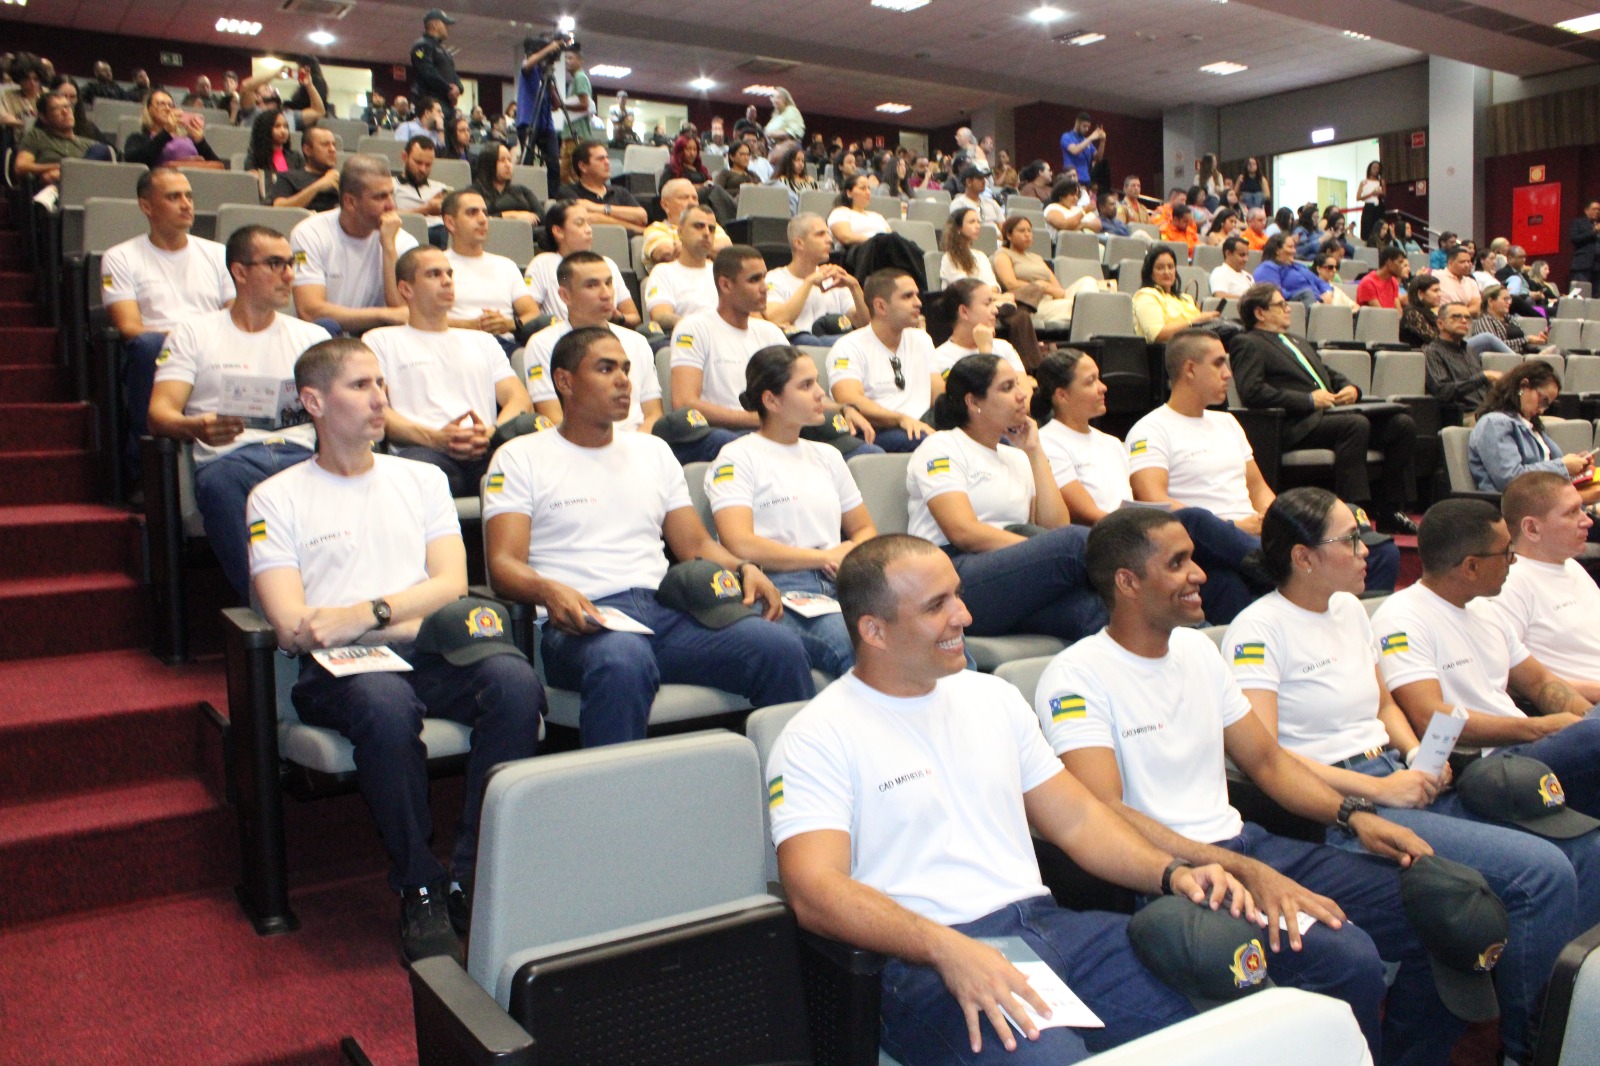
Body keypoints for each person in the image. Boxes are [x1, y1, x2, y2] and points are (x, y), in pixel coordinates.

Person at [770, 534, 1253, 1065]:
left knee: (1225, 1026)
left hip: (1049, 927)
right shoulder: (817, 737)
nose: (964, 616)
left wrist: (1171, 873)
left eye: (957, 595)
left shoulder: (993, 697)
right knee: (1053, 1059)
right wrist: (943, 947)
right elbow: (813, 890)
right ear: (874, 630)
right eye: (937, 605)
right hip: (926, 956)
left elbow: (1079, 819)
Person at [1037, 505, 1467, 1065]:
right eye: (1178, 563)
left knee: (1442, 912)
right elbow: (1105, 808)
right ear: (1128, 582)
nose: (1200, 574)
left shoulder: (1198, 649)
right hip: (1181, 875)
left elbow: (1266, 762)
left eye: (1194, 558)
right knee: (1348, 958)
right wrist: (1243, 870)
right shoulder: (1075, 677)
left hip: (1247, 847)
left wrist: (1355, 816)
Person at [1223, 488, 1597, 1066]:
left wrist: (1418, 754)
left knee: (1576, 850)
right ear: (1303, 557)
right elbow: (1266, 757)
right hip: (1341, 804)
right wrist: (1377, 790)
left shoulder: (1350, 610)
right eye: (1350, 539)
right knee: (1536, 873)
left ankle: (1559, 1018)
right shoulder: (1258, 630)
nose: (1366, 550)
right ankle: (1534, 1049)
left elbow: (1383, 705)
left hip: (1397, 776)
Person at [248, 336, 544, 966]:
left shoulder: (422, 479)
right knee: (384, 706)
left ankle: (475, 872)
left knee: (516, 685)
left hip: (425, 649)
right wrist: (391, 618)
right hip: (340, 670)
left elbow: (452, 584)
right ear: (313, 402)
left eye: (382, 384)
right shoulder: (275, 497)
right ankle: (419, 884)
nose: (380, 398)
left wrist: (364, 614)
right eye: (361, 386)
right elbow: (294, 626)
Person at [483, 326, 815, 747]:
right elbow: (502, 565)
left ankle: (791, 781)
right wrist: (548, 590)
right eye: (606, 369)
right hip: (582, 622)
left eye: (626, 369)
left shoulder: (653, 451)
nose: (624, 380)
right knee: (623, 660)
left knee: (779, 647)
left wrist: (744, 567)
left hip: (664, 613)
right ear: (565, 381)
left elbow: (696, 546)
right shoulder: (520, 457)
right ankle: (619, 791)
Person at [1373, 497, 1600, 816]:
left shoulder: (1485, 609)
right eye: (1506, 552)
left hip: (1527, 747)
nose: (1514, 560)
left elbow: (1541, 683)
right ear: (1471, 566)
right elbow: (1430, 716)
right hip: (1483, 765)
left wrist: (1584, 718)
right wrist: (1542, 728)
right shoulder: (1401, 620)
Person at [1126, 331, 1400, 592]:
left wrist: (1275, 521)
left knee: (1377, 546)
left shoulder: (1227, 422)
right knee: (1199, 520)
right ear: (1190, 369)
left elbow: (1258, 490)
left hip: (1253, 534)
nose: (1228, 373)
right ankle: (1289, 568)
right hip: (1212, 539)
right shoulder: (1151, 429)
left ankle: (1311, 582)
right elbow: (1153, 501)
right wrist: (1233, 526)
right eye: (1219, 363)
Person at [147, 225, 331, 599]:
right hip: (231, 458)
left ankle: (335, 597)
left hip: (302, 455)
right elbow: (160, 412)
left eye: (291, 264)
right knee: (220, 485)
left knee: (344, 478)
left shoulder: (312, 337)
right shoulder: (193, 333)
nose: (289, 275)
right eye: (275, 264)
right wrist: (195, 427)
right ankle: (268, 605)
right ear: (240, 272)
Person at [1031, 350, 1263, 623]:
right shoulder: (1050, 441)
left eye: (1099, 378)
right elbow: (1085, 511)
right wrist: (1142, 524)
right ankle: (1274, 563)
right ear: (1062, 395)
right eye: (1090, 381)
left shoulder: (1111, 442)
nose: (1103, 387)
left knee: (1225, 582)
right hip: (1105, 537)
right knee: (1194, 519)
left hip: (1133, 533)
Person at [906, 354, 1109, 644]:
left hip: (1011, 577)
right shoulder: (942, 446)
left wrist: (1035, 452)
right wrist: (1039, 549)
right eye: (1007, 387)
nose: (1022, 395)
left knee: (1097, 612)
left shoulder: (1017, 456)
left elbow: (1055, 526)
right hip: (951, 577)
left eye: (1018, 384)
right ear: (973, 402)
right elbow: (963, 532)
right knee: (1076, 542)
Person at [705, 346, 875, 677]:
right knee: (862, 644)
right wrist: (826, 556)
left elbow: (865, 530)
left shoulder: (828, 456)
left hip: (844, 580)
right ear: (771, 400)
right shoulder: (737, 457)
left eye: (817, 382)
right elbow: (739, 543)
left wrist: (848, 553)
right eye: (806, 385)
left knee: (926, 631)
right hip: (779, 586)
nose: (821, 393)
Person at [1229, 284, 1418, 533]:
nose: (1288, 309)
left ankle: (1390, 509)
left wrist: (1351, 388)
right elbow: (1252, 391)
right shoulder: (1248, 343)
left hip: (1328, 416)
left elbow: (1326, 374)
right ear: (1259, 313)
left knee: (1401, 424)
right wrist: (1308, 400)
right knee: (1355, 425)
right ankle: (1354, 513)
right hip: (1294, 424)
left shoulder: (1296, 340)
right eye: (1281, 305)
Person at [363, 247, 531, 497]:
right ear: (406, 289)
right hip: (422, 450)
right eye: (434, 274)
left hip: (484, 448)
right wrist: (436, 439)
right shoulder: (380, 341)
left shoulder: (483, 341)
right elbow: (375, 409)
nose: (447, 281)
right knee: (419, 477)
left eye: (449, 274)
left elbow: (519, 399)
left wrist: (491, 434)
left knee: (527, 465)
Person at [103, 169, 235, 472]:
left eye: (189, 196)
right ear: (146, 206)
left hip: (214, 346)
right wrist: (187, 339)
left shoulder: (218, 254)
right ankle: (148, 464)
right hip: (164, 351)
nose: (186, 204)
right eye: (174, 197)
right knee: (146, 345)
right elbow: (130, 328)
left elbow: (235, 311)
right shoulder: (120, 257)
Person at [523, 251, 661, 433]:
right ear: (565, 296)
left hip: (637, 442)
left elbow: (653, 414)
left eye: (609, 283)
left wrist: (636, 445)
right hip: (579, 444)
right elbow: (554, 418)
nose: (606, 294)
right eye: (592, 285)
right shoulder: (542, 344)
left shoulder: (637, 341)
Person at [668, 244, 791, 445]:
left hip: (769, 431)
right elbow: (684, 402)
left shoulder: (771, 332)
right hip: (720, 434)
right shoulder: (693, 328)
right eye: (754, 280)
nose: (764, 288)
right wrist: (761, 419)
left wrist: (841, 408)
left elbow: (799, 386)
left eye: (764, 278)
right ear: (725, 285)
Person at [1489, 472, 1600, 689]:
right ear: (1531, 528)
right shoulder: (1508, 585)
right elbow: (1510, 677)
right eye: (1572, 512)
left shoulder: (1571, 566)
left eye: (1582, 509)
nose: (1587, 521)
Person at [289, 154, 420, 335]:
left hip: (375, 341)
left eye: (392, 194)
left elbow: (403, 315)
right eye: (380, 197)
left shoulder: (403, 241)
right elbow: (309, 311)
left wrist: (389, 247)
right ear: (350, 202)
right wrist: (383, 315)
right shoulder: (308, 234)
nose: (391, 206)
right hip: (322, 339)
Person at [829, 269, 940, 453]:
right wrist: (900, 419)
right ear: (880, 306)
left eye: (916, 295)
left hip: (923, 424)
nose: (918, 303)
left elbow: (939, 396)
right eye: (907, 296)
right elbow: (849, 399)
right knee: (931, 443)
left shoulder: (922, 339)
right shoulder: (848, 346)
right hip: (880, 430)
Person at [1468, 360, 1599, 503]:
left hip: (1545, 503)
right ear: (1523, 385)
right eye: (1543, 400)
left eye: (1547, 405)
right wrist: (1563, 466)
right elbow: (1510, 480)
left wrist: (1576, 469)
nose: (1542, 410)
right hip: (1518, 509)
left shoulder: (1529, 424)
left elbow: (1548, 466)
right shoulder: (1494, 423)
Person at [439, 190, 539, 349]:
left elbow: (532, 313)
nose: (482, 219)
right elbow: (420, 318)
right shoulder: (437, 265)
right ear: (450, 222)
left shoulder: (506, 265)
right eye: (472, 213)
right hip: (456, 344)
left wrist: (510, 324)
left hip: (504, 345)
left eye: (484, 213)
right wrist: (470, 325)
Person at [523, 200, 641, 327]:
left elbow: (634, 317)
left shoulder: (606, 264)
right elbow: (531, 316)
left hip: (605, 333)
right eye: (579, 224)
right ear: (558, 231)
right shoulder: (542, 264)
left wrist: (618, 317)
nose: (589, 230)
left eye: (589, 223)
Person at [764, 214, 868, 346]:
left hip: (836, 348)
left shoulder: (833, 277)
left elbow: (865, 325)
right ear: (799, 243)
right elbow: (775, 319)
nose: (829, 240)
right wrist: (809, 283)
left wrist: (854, 286)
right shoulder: (774, 278)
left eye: (828, 234)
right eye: (820, 234)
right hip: (795, 348)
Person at [644, 203, 722, 331]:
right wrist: (702, 328)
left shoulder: (722, 273)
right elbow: (661, 316)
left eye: (712, 229)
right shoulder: (664, 272)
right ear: (680, 232)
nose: (707, 233)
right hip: (687, 337)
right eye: (699, 226)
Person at [13, 91, 111, 187]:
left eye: (67, 106)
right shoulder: (36, 136)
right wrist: (61, 166)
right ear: (43, 117)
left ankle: (65, 179)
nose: (65, 111)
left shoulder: (90, 144)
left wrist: (60, 173)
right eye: (56, 108)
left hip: (87, 188)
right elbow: (21, 167)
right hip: (54, 191)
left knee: (102, 149)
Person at [993, 216, 1076, 329]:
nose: (1027, 234)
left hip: (1051, 299)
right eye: (1022, 230)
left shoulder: (1036, 257)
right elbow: (1011, 284)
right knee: (1077, 307)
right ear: (1009, 235)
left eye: (1029, 231)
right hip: (1031, 303)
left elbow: (1059, 291)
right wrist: (1039, 287)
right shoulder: (1003, 254)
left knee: (1087, 282)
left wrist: (1045, 287)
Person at [1423, 302, 1500, 417]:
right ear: (1440, 324)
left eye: (1467, 318)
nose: (1464, 321)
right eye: (1456, 317)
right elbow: (1442, 391)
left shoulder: (1470, 351)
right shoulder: (1433, 352)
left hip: (1487, 412)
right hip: (1462, 415)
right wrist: (1482, 377)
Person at [558, 140, 648, 234]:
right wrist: (635, 228)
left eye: (607, 158)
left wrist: (596, 208)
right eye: (600, 159)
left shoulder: (620, 192)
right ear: (583, 166)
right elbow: (590, 218)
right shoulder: (568, 192)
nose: (607, 162)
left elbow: (642, 216)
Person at [1131, 245, 1217, 343]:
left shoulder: (1185, 298)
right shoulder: (1146, 296)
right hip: (1168, 349)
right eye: (1160, 268)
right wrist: (1196, 321)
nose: (1167, 272)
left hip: (1197, 343)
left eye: (1170, 267)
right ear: (1150, 273)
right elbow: (1157, 335)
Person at [514, 36, 565, 198]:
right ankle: (524, 196)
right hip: (528, 121)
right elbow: (528, 64)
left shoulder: (544, 74)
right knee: (527, 161)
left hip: (546, 124)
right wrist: (550, 48)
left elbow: (556, 105)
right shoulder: (529, 70)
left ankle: (553, 197)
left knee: (554, 163)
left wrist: (550, 84)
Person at [123, 89, 224, 170]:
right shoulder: (138, 138)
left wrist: (200, 141)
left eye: (170, 105)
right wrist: (166, 132)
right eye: (161, 104)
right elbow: (134, 161)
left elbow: (218, 166)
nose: (167, 108)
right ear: (148, 109)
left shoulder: (188, 138)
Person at [642, 177, 731, 268]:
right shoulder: (656, 228)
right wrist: (707, 249)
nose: (692, 203)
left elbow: (727, 250)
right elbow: (666, 252)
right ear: (665, 205)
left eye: (695, 198)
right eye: (684, 198)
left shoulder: (709, 225)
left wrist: (685, 247)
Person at [268, 124, 341, 213]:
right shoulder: (288, 177)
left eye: (333, 145)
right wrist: (319, 185)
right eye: (325, 145)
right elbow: (278, 208)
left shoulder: (343, 180)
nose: (332, 149)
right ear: (307, 150)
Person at [468, 142, 541, 224]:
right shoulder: (474, 192)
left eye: (509, 160)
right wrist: (511, 215)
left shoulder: (521, 190)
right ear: (489, 164)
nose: (508, 165)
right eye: (502, 160)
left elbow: (542, 215)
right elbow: (475, 219)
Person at [1253, 234, 1332, 308]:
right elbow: (1275, 292)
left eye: (1294, 247)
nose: (1294, 251)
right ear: (1277, 250)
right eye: (1290, 247)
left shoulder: (1299, 266)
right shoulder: (1268, 268)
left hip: (1319, 302)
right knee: (1307, 294)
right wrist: (1316, 298)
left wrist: (1327, 292)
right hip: (1297, 304)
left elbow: (1320, 282)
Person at [410, 8, 463, 114]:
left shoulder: (444, 51)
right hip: (431, 103)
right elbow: (427, 72)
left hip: (447, 104)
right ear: (435, 25)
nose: (447, 27)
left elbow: (453, 73)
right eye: (445, 24)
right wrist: (449, 89)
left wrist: (459, 88)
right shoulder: (422, 45)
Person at [1471, 284, 1547, 356]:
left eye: (1509, 299)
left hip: (1524, 354)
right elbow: (1495, 346)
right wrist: (1526, 340)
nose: (1509, 302)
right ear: (1491, 301)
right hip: (1506, 360)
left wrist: (1537, 340)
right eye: (1505, 299)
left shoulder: (1510, 318)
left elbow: (1522, 342)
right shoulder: (1485, 321)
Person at [940, 207, 1001, 290]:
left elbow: (992, 283)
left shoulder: (981, 255)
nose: (978, 226)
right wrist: (993, 295)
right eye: (972, 222)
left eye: (978, 222)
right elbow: (965, 289)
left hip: (988, 296)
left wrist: (993, 294)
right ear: (958, 227)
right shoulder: (950, 257)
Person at [826, 177, 892, 249]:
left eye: (869, 188)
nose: (868, 192)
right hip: (858, 250)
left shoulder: (877, 216)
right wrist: (876, 241)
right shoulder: (840, 212)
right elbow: (846, 238)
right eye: (863, 188)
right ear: (849, 193)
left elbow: (891, 238)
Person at [559, 43, 597, 142]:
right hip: (572, 134)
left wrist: (562, 105)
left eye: (570, 58)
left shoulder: (580, 77)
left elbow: (584, 105)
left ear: (580, 61)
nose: (567, 61)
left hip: (577, 134)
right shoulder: (575, 79)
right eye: (565, 58)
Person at [1058, 112, 1104, 186]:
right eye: (1084, 126)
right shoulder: (1067, 136)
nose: (1087, 129)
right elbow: (1075, 150)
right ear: (1077, 123)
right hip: (1071, 178)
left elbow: (1098, 158)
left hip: (1086, 179)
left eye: (1088, 127)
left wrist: (1103, 141)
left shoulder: (1086, 140)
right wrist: (1091, 137)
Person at [1568, 201, 1600, 294]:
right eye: (1594, 209)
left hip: (1598, 266)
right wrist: (1594, 232)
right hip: (1583, 265)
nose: (1597, 212)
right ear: (1586, 210)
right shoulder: (1579, 222)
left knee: (1596, 295)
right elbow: (1575, 239)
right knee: (1581, 293)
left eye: (1599, 210)